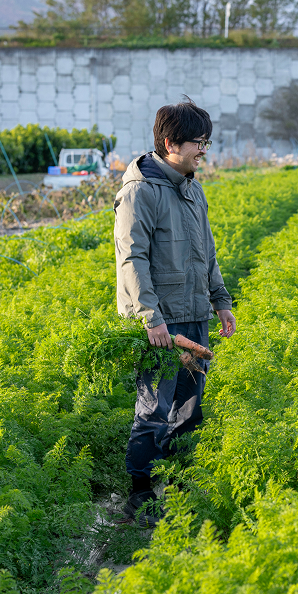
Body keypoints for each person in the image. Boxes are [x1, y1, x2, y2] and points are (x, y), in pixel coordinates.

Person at [113, 99, 237, 526]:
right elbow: (133, 260)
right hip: (159, 324)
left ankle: (182, 492)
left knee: (190, 409)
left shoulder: (191, 187)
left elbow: (207, 250)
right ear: (170, 143)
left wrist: (220, 300)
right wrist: (151, 318)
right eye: (197, 143)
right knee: (153, 409)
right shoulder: (139, 193)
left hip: (194, 315)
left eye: (206, 142)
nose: (203, 151)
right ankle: (140, 497)